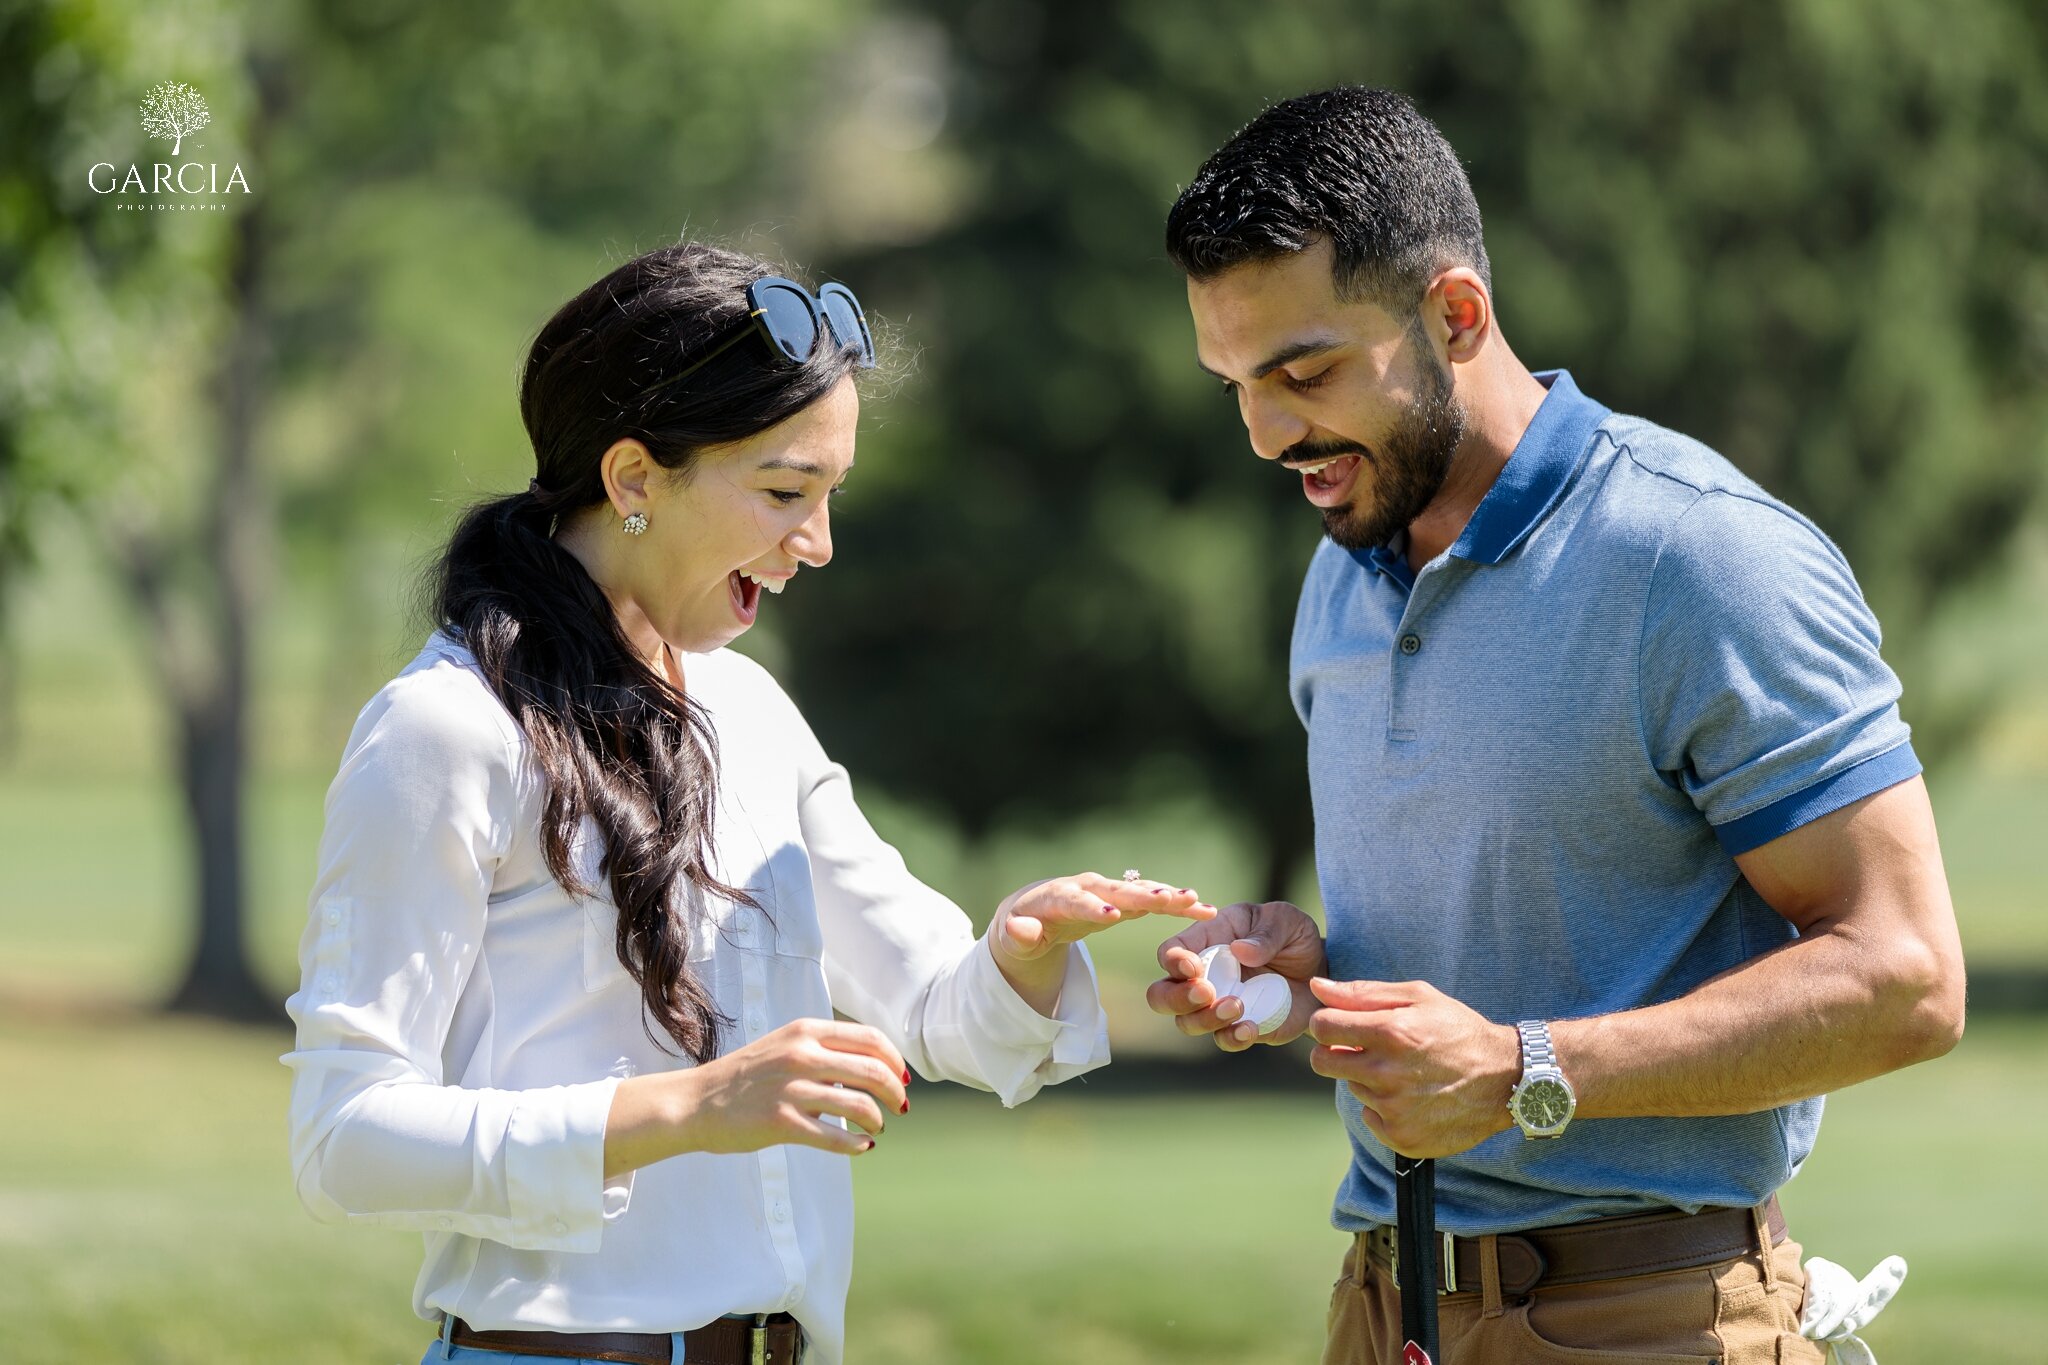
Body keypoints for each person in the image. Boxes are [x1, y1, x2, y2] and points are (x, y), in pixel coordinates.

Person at [281, 241, 1215, 1365]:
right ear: (632, 479)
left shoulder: (750, 711)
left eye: (830, 495)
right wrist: (686, 1110)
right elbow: (344, 1140)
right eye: (784, 492)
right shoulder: (445, 730)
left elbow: (927, 1005)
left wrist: (1019, 950)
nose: (815, 544)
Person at [1146, 88, 1965, 1364]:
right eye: (1233, 384)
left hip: (1650, 1317)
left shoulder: (1694, 555)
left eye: (1301, 372)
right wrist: (1308, 969)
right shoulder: (1341, 564)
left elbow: (1905, 978)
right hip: (1380, 1305)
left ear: (1454, 314)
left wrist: (1524, 1065)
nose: (1263, 433)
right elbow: (1491, 950)